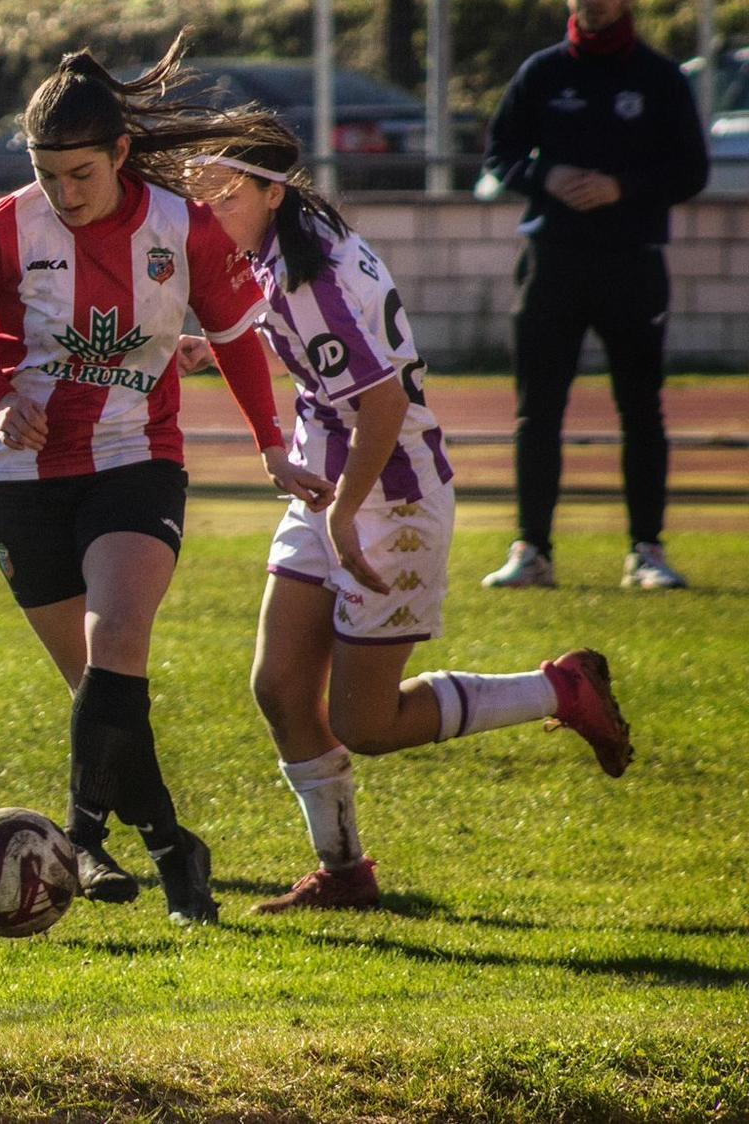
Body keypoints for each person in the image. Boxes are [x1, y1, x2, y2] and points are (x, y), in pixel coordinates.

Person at [181, 144, 635, 915]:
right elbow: (337, 350)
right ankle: (345, 874)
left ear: (270, 191)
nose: (208, 214)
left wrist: (349, 512)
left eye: (223, 197)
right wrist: (229, 346)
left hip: (391, 501)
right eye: (201, 199)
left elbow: (383, 405)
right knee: (281, 688)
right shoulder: (293, 242)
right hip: (333, 486)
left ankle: (560, 689)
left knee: (367, 723)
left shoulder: (304, 273)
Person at [0, 36, 317, 926]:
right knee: (101, 690)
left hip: (136, 458)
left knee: (118, 637)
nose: (64, 195)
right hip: (21, 471)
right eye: (47, 175)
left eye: (81, 175)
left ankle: (77, 835)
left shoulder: (182, 229)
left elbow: (233, 338)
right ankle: (177, 849)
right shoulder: (6, 227)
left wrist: (270, 443)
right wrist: (0, 395)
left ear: (120, 157)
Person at [478, 0, 709, 591]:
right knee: (537, 410)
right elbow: (499, 155)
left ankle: (647, 551)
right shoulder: (543, 74)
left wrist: (623, 188)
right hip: (553, 262)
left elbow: (691, 170)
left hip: (632, 264)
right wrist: (547, 175)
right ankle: (533, 551)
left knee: (641, 409)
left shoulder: (659, 78)